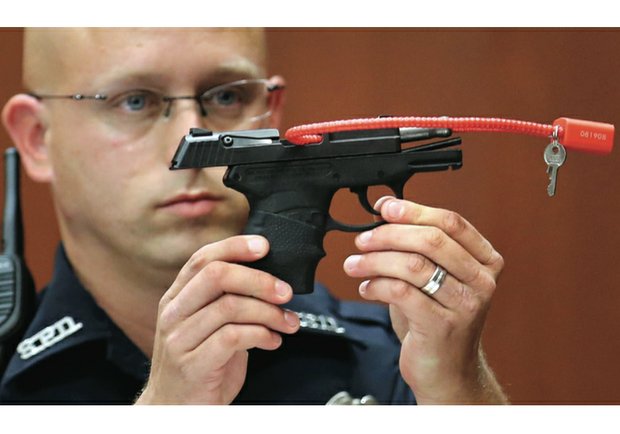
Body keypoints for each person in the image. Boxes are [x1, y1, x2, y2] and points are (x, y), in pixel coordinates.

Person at [0, 28, 507, 404]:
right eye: (134, 101)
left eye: (227, 96)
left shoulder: (397, 353)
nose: (191, 134)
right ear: (36, 138)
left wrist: (461, 391)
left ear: (271, 110)